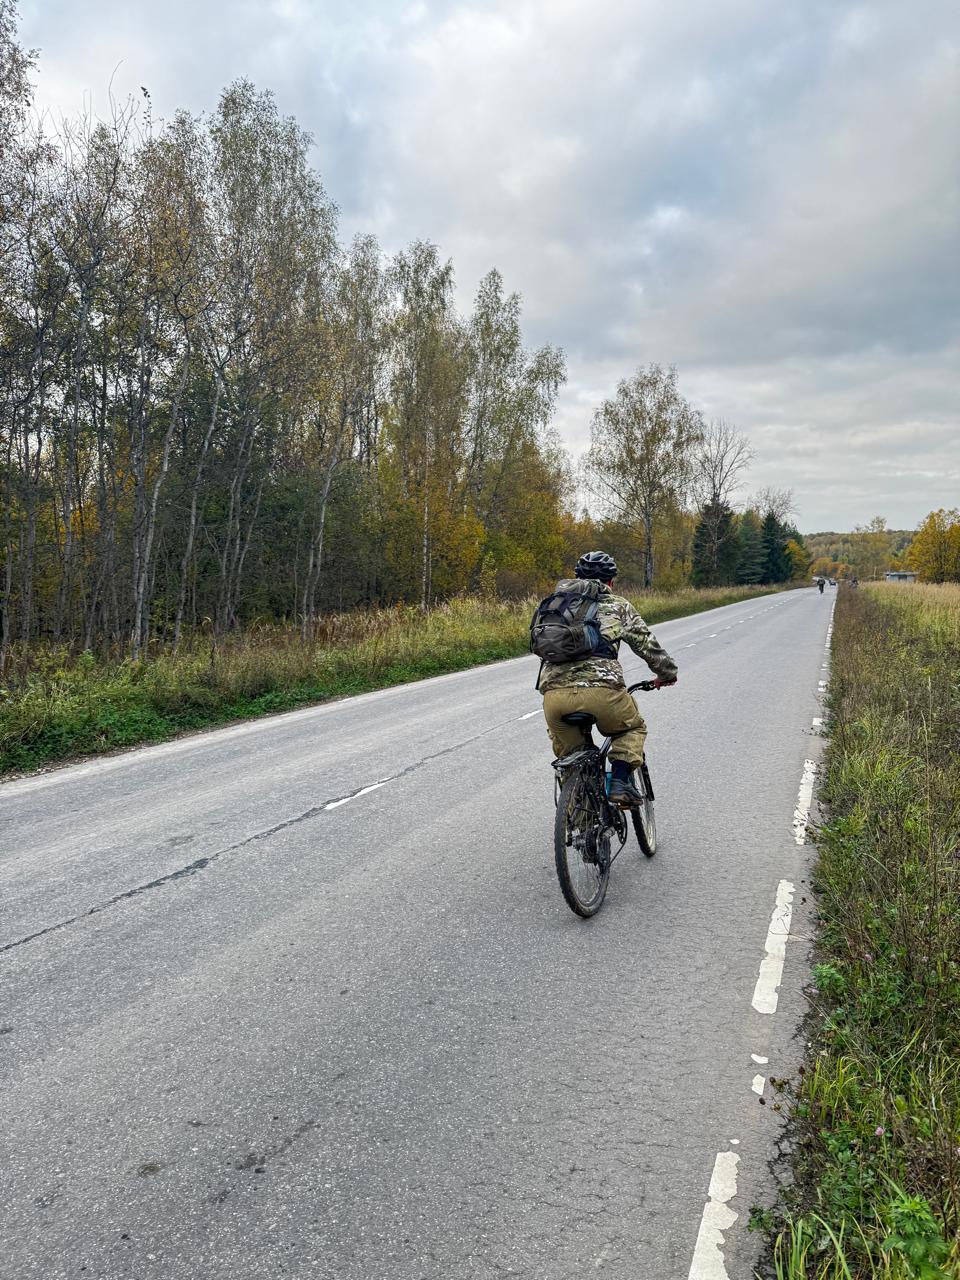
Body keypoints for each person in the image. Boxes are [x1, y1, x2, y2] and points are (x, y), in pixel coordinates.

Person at [537, 551, 677, 807]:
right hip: (603, 693)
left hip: (554, 698)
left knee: (572, 758)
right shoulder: (618, 606)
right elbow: (647, 646)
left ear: (577, 576)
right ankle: (621, 783)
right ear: (611, 581)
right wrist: (666, 673)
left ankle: (578, 819)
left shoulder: (555, 606)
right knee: (632, 727)